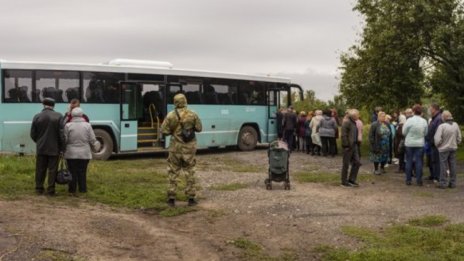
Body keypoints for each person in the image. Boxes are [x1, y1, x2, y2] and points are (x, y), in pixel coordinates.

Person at [161, 93, 202, 207]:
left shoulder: (170, 115)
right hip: (189, 148)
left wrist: (174, 131)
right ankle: (191, 198)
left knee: (173, 172)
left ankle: (171, 198)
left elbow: (164, 131)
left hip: (175, 148)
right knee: (190, 172)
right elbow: (199, 128)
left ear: (175, 102)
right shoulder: (192, 114)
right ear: (185, 101)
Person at [30, 98, 63, 196]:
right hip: (54, 148)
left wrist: (39, 141)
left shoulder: (37, 116)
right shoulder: (59, 116)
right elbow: (62, 134)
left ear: (43, 105)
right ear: (53, 106)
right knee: (52, 170)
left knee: (40, 168)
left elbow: (32, 134)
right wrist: (61, 147)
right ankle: (50, 190)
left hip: (41, 148)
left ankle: (39, 188)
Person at [63, 108, 100, 195]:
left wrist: (63, 150)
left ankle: (72, 190)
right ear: (82, 115)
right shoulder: (87, 125)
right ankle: (83, 189)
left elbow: (65, 140)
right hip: (84, 153)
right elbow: (92, 139)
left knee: (72, 171)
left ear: (72, 115)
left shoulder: (68, 125)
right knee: (82, 171)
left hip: (71, 153)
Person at [434, 111, 462, 189]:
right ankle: (453, 182)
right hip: (453, 147)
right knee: (452, 165)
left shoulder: (442, 126)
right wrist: (457, 143)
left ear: (444, 117)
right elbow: (459, 137)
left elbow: (437, 139)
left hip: (443, 149)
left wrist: (438, 145)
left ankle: (443, 182)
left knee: (443, 165)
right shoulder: (455, 125)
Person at [402, 104, 428, 186]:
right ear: (421, 112)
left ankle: (408, 180)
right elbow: (426, 133)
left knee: (409, 161)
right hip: (420, 143)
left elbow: (404, 132)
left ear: (413, 111)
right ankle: (419, 180)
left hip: (409, 143)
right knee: (419, 161)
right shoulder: (424, 121)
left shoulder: (409, 120)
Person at [341, 109, 361, 187]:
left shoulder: (354, 122)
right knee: (346, 164)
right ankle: (344, 181)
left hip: (354, 145)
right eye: (358, 115)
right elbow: (343, 135)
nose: (359, 116)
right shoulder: (347, 122)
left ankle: (352, 179)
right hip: (348, 146)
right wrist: (346, 145)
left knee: (357, 162)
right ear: (354, 116)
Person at [426, 103, 443, 182]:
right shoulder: (434, 118)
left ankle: (438, 177)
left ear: (434, 109)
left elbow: (438, 131)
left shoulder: (438, 118)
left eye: (430, 108)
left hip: (435, 143)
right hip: (432, 143)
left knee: (437, 160)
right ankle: (434, 175)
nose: (429, 110)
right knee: (433, 160)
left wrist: (435, 141)